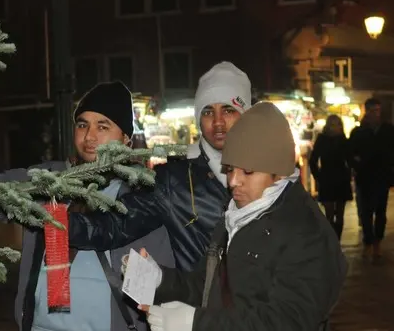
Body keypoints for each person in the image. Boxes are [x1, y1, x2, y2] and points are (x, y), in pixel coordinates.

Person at [0, 81, 175, 331]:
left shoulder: (142, 196)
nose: (90, 136)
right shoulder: (46, 181)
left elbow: (162, 286)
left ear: (125, 137)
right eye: (82, 125)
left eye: (103, 126)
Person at [140, 102, 347, 331]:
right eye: (229, 169)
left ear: (277, 172)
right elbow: (208, 285)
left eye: (247, 171)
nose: (233, 181)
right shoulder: (237, 215)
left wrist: (197, 323)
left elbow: (289, 320)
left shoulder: (306, 231)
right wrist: (159, 279)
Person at [68, 62, 252, 273]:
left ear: (245, 113)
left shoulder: (275, 175)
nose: (218, 122)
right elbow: (116, 225)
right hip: (203, 303)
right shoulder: (176, 180)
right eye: (208, 112)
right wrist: (56, 222)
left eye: (228, 110)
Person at [349, 97, 394, 259]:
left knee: (380, 211)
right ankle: (368, 242)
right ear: (366, 111)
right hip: (365, 177)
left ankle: (377, 243)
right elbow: (350, 153)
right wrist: (356, 163)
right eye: (373, 111)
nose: (376, 114)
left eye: (378, 110)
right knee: (366, 212)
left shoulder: (387, 130)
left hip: (382, 176)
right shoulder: (359, 132)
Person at [309, 114, 353, 239]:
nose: (335, 127)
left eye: (338, 124)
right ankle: (330, 242)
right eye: (332, 124)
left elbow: (349, 159)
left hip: (341, 179)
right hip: (327, 178)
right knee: (328, 214)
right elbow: (313, 160)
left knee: (340, 214)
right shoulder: (322, 139)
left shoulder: (343, 139)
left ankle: (337, 241)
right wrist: (319, 177)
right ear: (328, 126)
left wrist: (351, 171)